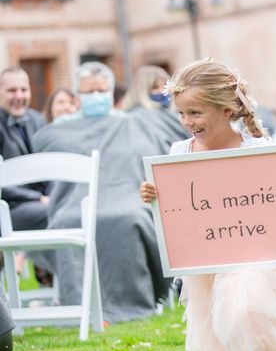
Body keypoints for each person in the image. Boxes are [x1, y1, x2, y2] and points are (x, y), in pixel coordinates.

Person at [139, 58, 276, 351]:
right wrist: (154, 194)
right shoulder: (180, 154)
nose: (188, 122)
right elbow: (177, 205)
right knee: (225, 326)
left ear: (226, 110)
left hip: (258, 253)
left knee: (248, 309)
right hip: (208, 258)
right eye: (182, 114)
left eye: (195, 113)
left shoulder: (258, 149)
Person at [32, 61, 172, 323]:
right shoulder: (58, 131)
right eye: (89, 92)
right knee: (66, 222)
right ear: (77, 96)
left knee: (132, 218)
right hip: (75, 204)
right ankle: (78, 305)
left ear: (111, 92)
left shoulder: (134, 125)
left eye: (101, 90)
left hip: (126, 199)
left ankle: (135, 300)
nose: (96, 96)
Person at [0, 67, 48, 230]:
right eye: (12, 90)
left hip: (42, 201)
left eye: (24, 90)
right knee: (55, 212)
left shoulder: (38, 119)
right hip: (9, 207)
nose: (19, 96)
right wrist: (36, 198)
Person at [120, 65, 190, 145]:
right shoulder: (135, 118)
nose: (162, 91)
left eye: (164, 86)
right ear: (141, 90)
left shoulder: (174, 113)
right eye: (155, 87)